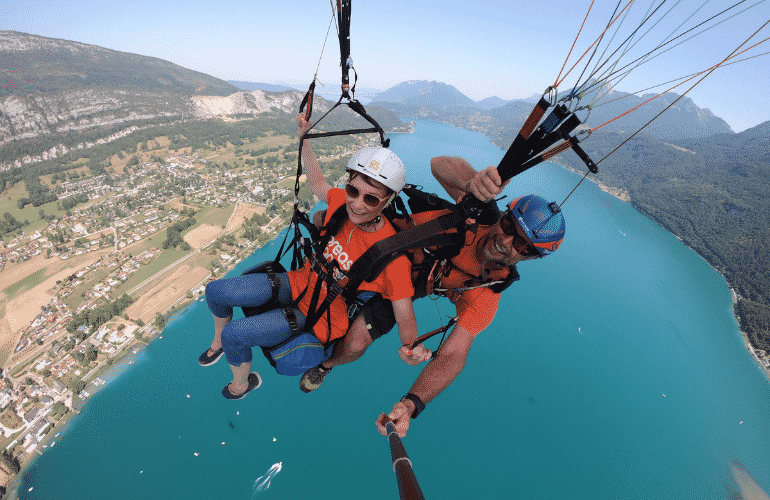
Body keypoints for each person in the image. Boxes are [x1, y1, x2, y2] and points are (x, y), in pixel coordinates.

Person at [298, 156, 566, 438]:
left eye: (522, 245)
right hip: (383, 238)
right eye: (510, 228)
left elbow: (453, 355)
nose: (506, 241)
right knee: (322, 220)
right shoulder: (476, 211)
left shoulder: (486, 291)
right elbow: (439, 164)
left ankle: (326, 365)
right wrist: (472, 182)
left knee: (354, 343)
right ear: (503, 218)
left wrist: (411, 402)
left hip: (404, 284)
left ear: (531, 257)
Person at [199, 115, 427, 399]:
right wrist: (304, 138)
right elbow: (318, 182)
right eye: (353, 190)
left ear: (387, 201)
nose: (357, 203)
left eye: (371, 198)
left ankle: (241, 384)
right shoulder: (340, 206)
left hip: (318, 314)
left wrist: (410, 346)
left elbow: (403, 310)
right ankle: (218, 340)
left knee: (237, 334)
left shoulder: (390, 256)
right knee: (215, 291)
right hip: (299, 282)